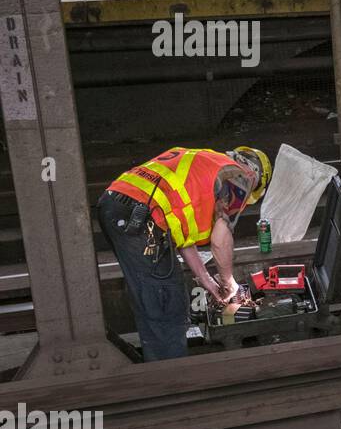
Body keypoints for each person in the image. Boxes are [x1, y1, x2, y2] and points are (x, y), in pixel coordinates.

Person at [98, 146, 272, 361]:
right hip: (140, 215)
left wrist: (206, 278)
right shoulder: (238, 175)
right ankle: (170, 377)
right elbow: (220, 239)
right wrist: (229, 281)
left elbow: (182, 235)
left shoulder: (205, 162)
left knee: (151, 296)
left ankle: (157, 367)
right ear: (255, 175)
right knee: (167, 301)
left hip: (117, 204)